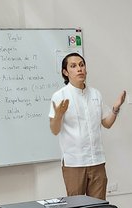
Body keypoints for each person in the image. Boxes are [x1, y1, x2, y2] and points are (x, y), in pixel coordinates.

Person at [49, 52, 126, 200]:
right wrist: (58, 115)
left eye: (81, 65)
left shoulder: (95, 94)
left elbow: (107, 123)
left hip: (97, 160)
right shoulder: (59, 96)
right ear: (66, 72)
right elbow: (54, 129)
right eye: (73, 66)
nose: (79, 69)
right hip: (74, 162)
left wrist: (116, 108)